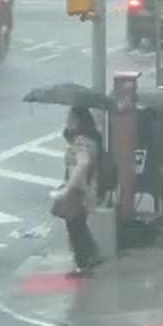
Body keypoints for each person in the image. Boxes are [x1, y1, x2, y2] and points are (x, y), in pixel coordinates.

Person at [52, 106, 103, 276]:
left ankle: (83, 264)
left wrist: (69, 187)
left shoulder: (83, 142)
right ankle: (91, 255)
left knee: (75, 226)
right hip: (83, 189)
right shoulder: (84, 139)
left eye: (71, 119)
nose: (68, 122)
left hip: (79, 190)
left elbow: (82, 164)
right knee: (78, 225)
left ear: (79, 121)